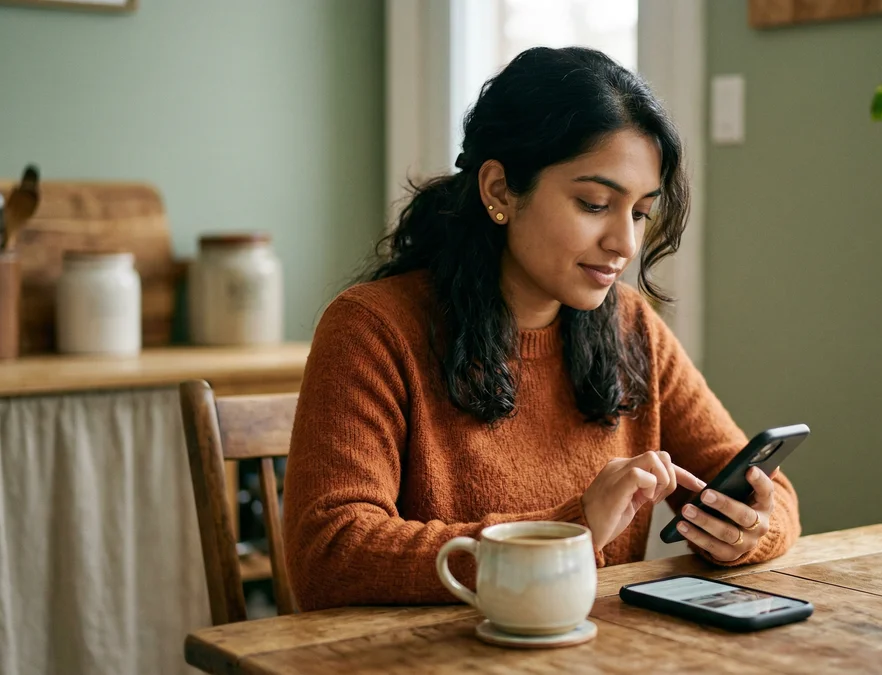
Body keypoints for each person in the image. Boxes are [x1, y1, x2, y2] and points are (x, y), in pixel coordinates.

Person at [283, 46, 801, 610]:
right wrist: (571, 529)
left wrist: (749, 530)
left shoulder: (632, 328)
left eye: (639, 213)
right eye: (594, 203)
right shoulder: (372, 329)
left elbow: (770, 494)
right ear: (500, 191)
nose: (624, 245)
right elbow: (330, 553)